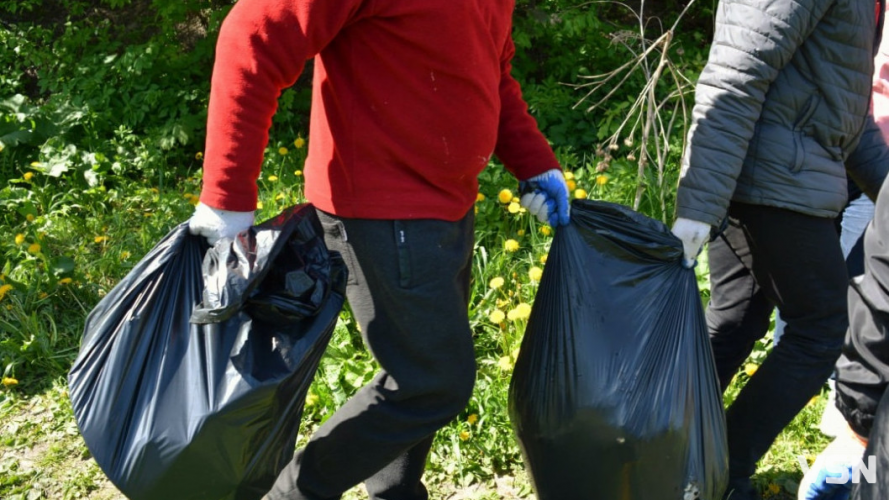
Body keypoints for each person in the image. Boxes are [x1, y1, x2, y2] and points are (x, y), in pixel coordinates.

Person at [186, 1, 570, 499]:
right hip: (379, 209)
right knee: (432, 383)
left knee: (415, 372)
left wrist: (534, 162)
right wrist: (227, 198)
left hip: (446, 205)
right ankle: (290, 495)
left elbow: (491, 73)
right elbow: (253, 34)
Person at [669, 0, 889, 498]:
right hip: (770, 178)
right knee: (821, 327)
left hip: (780, 173)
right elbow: (734, 72)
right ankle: (721, 468)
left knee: (733, 321)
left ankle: (660, 453)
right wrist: (699, 205)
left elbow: (847, 120)